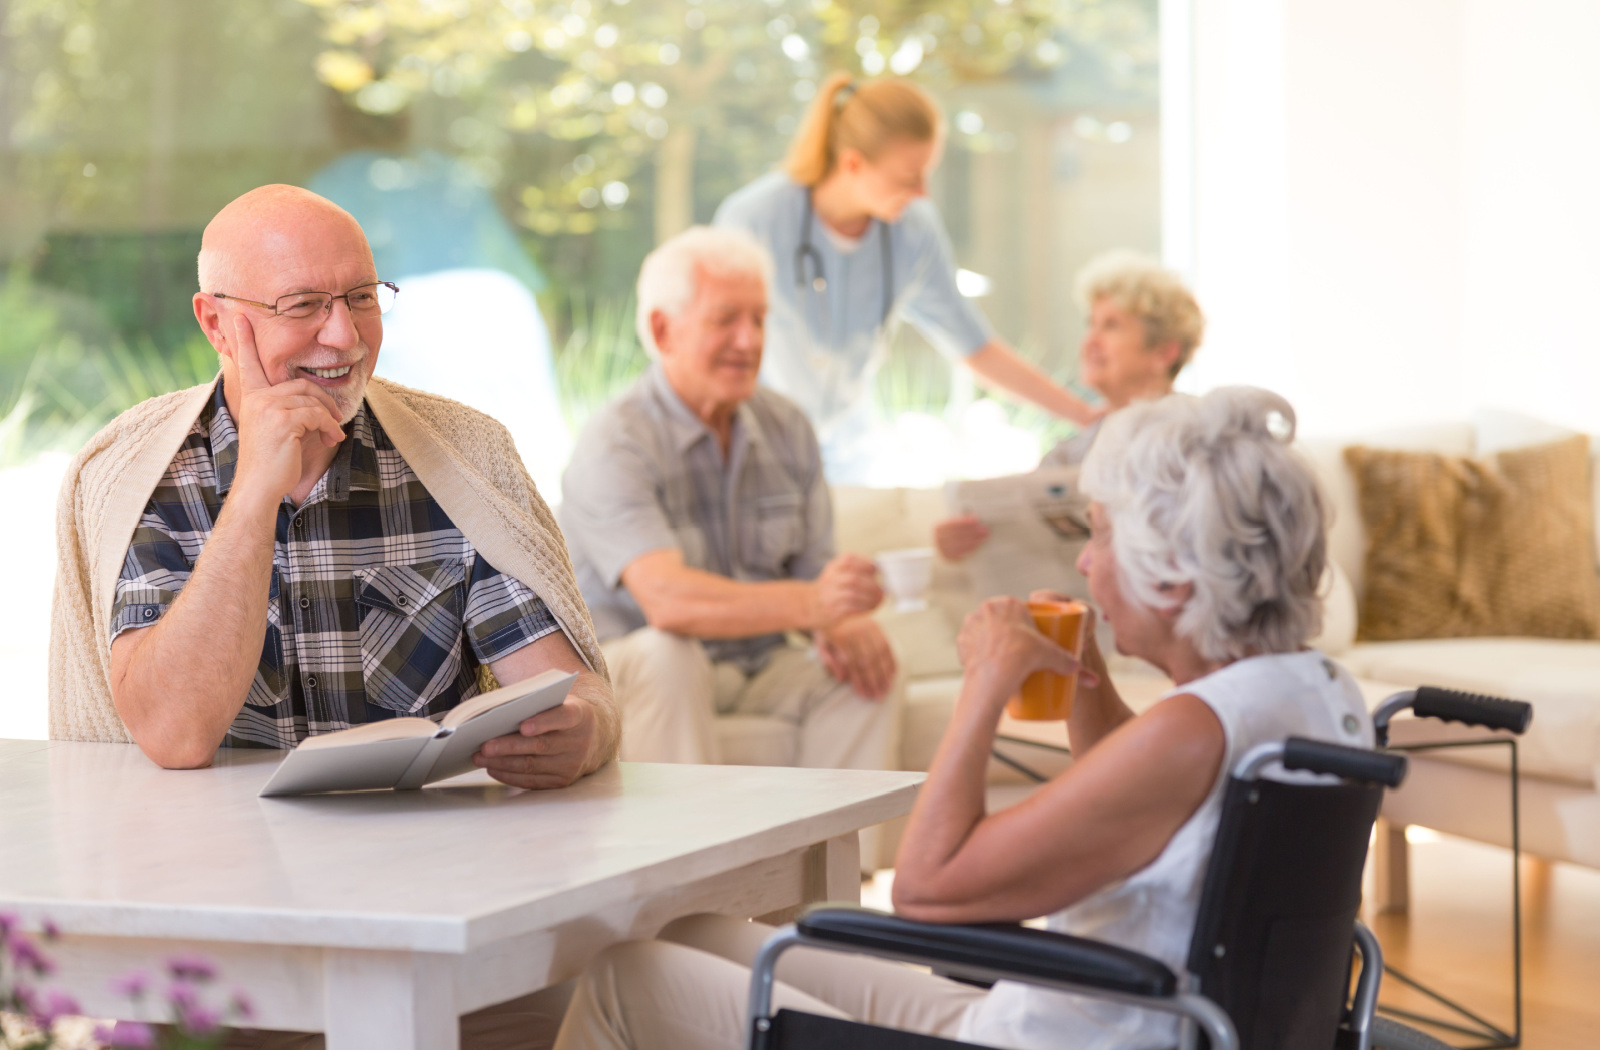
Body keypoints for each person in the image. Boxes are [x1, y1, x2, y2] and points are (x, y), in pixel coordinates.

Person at [550, 386, 1373, 1050]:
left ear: (1175, 579)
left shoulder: (1192, 729)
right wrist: (1083, 673)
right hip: (1107, 1014)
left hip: (1057, 1031)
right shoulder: (1308, 694)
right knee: (696, 931)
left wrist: (984, 683)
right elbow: (1152, 795)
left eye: (1100, 537)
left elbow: (930, 890)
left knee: (627, 975)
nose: (1084, 563)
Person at [50, 184, 617, 1048]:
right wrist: (254, 498)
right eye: (304, 306)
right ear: (216, 322)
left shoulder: (461, 457)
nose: (344, 337)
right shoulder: (136, 478)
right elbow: (172, 732)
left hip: (438, 922)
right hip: (218, 938)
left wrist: (582, 735)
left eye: (360, 297)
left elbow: (576, 695)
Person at [559, 226, 898, 776]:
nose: (750, 341)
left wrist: (844, 619)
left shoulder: (787, 427)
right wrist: (816, 606)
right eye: (725, 320)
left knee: (869, 671)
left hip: (758, 662)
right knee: (671, 654)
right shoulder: (615, 442)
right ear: (663, 330)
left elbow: (817, 575)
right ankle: (687, 862)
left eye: (759, 319)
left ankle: (845, 861)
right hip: (642, 664)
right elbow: (668, 601)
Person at [714, 73, 1100, 482]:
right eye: (907, 178)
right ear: (852, 164)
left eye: (926, 175)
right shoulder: (755, 221)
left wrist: (1084, 415)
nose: (922, 193)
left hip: (850, 459)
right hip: (757, 454)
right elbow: (711, 349)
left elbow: (973, 345)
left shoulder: (912, 229)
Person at [935, 249, 1205, 562]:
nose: (1091, 340)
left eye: (1112, 325)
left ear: (1164, 352)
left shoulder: (1201, 434)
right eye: (1091, 324)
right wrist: (960, 540)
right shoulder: (1070, 451)